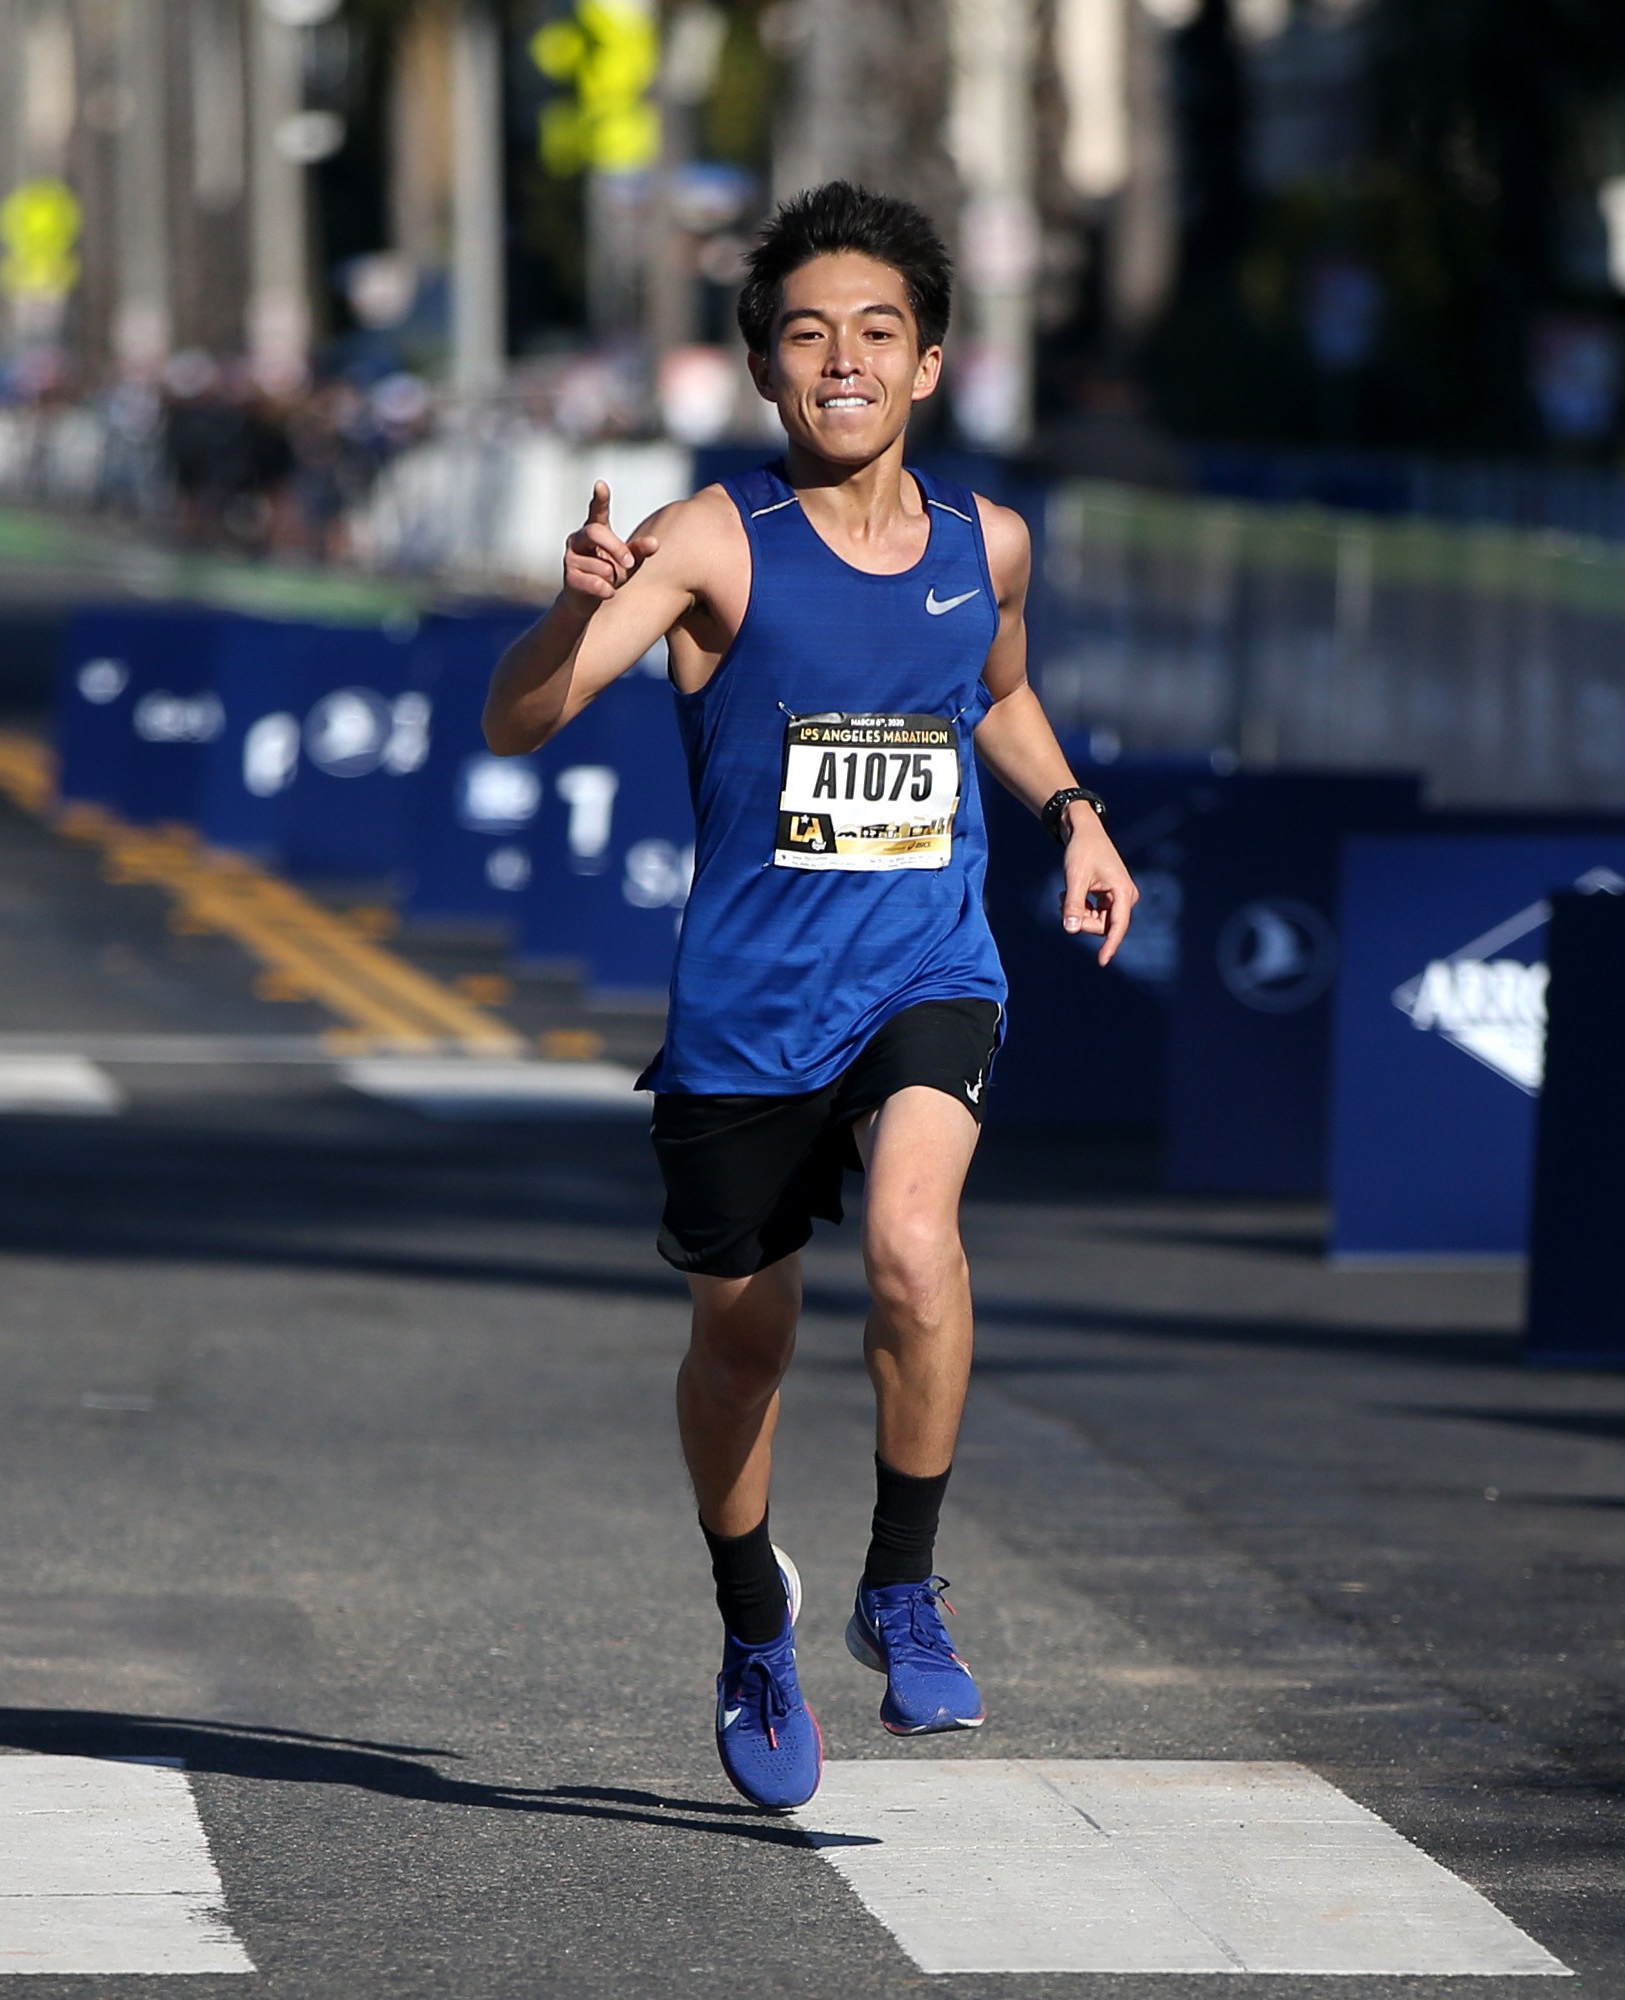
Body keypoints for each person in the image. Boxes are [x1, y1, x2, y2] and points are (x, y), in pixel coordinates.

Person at [480, 183, 1138, 1812]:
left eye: (877, 334)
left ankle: (901, 1586)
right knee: (744, 1343)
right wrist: (577, 600)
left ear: (928, 366)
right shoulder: (714, 541)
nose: (842, 362)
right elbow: (521, 723)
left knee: (918, 1253)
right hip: (751, 1012)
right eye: (807, 336)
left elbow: (996, 689)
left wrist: (1075, 816)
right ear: (770, 372)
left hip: (927, 970)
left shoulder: (989, 541)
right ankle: (750, 1622)